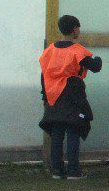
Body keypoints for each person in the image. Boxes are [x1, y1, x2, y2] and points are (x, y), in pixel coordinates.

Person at [39, 15, 103, 179]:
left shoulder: (49, 50)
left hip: (53, 94)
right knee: (74, 128)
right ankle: (73, 170)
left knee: (57, 131)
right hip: (72, 93)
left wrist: (45, 95)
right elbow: (95, 67)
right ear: (74, 29)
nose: (79, 31)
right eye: (78, 28)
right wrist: (98, 59)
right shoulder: (77, 50)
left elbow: (43, 74)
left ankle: (57, 170)